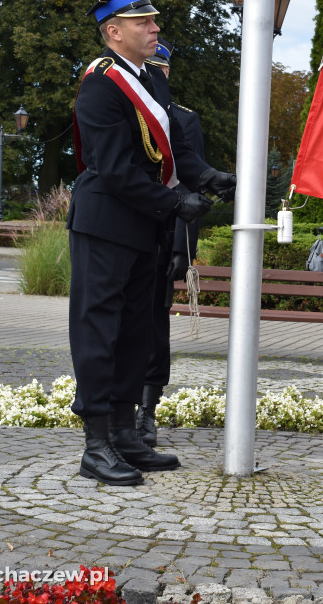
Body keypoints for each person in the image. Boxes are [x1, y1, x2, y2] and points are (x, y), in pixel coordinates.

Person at [69, 0, 237, 486]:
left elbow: (173, 151)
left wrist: (207, 176)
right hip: (107, 224)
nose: (154, 27)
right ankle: (95, 445)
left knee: (138, 333)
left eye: (153, 20)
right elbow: (117, 169)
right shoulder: (101, 84)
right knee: (101, 332)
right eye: (144, 21)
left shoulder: (152, 79)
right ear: (113, 31)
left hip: (145, 228)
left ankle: (125, 435)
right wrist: (174, 202)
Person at [135, 36, 219, 447]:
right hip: (125, 235)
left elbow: (191, 189)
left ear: (167, 74)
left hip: (165, 238)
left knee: (153, 328)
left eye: (160, 69)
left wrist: (182, 250)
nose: (154, 75)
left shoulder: (183, 120)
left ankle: (146, 410)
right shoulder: (123, 109)